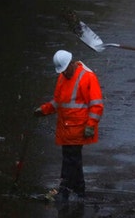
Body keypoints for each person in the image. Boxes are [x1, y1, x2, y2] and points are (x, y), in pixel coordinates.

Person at [34, 50, 104, 201]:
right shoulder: (62, 77)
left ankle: (64, 191)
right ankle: (79, 191)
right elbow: (58, 102)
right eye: (62, 71)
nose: (64, 73)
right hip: (66, 128)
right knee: (73, 160)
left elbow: (97, 105)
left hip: (79, 128)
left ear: (72, 63)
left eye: (66, 70)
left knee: (70, 160)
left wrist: (90, 125)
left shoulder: (87, 77)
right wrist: (44, 110)